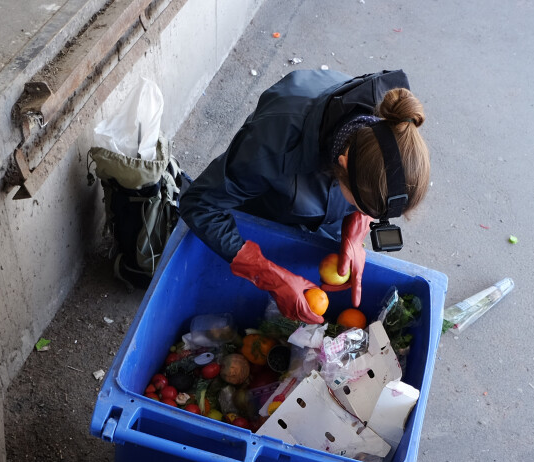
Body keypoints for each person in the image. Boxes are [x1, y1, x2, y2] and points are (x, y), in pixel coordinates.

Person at [179, 69, 430, 325]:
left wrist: (356, 229)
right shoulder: (271, 146)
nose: (364, 211)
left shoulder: (387, 131)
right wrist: (267, 275)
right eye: (360, 204)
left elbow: (370, 191)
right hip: (265, 208)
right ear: (342, 165)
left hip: (319, 210)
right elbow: (199, 204)